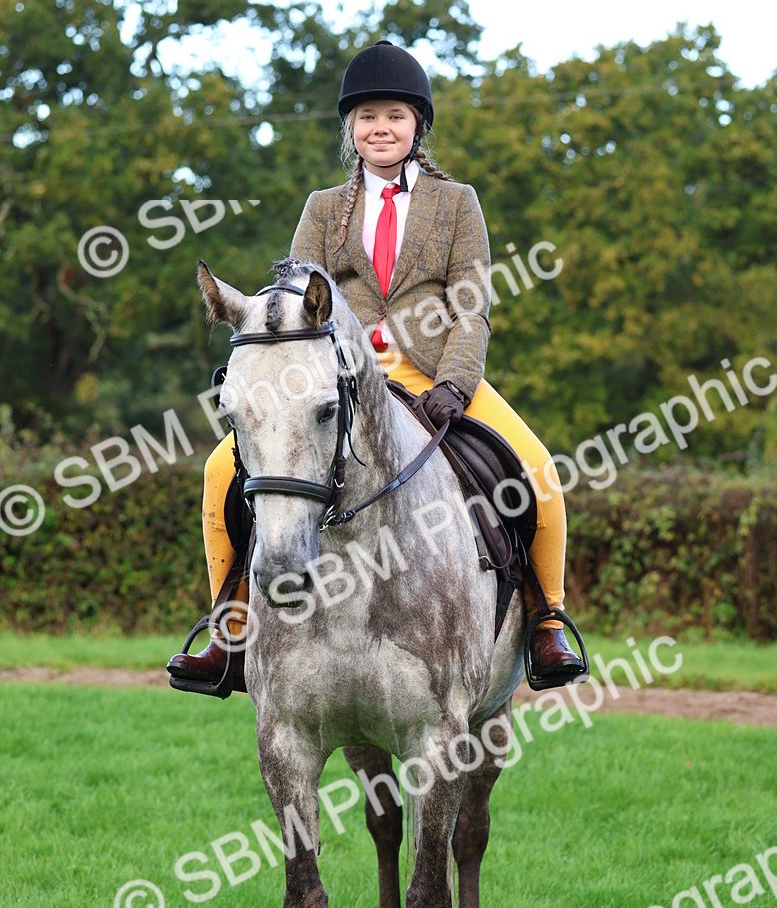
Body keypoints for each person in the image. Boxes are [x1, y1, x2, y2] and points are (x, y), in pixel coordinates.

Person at [167, 39, 584, 690]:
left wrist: (455, 382)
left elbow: (470, 307)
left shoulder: (457, 204)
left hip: (435, 372)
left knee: (540, 470)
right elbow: (292, 304)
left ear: (417, 125)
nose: (380, 128)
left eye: (393, 115)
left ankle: (547, 622)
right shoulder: (322, 208)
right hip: (339, 376)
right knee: (223, 465)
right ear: (351, 130)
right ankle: (232, 628)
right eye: (366, 117)